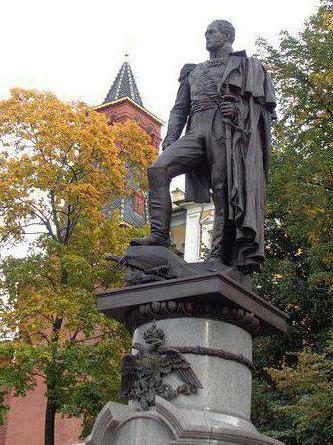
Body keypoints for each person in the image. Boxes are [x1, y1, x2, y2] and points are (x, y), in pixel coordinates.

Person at [131, 20, 276, 274]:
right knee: (158, 169)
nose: (207, 36)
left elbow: (261, 110)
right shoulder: (192, 72)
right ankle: (159, 236)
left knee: (223, 191)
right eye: (206, 33)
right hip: (197, 127)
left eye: (213, 32)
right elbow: (180, 109)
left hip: (226, 130)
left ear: (228, 35)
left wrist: (238, 110)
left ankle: (219, 251)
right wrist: (170, 138)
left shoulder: (246, 65)